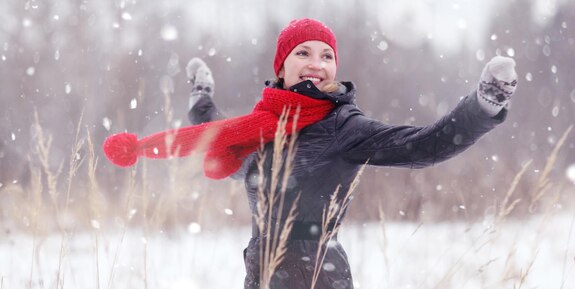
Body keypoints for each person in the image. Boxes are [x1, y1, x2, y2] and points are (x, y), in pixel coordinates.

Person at [104, 18, 517, 289]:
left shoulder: (343, 127)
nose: (316, 64)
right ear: (281, 65)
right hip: (261, 275)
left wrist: (483, 107)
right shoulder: (260, 130)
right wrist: (201, 99)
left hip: (320, 277)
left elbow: (426, 145)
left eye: (327, 56)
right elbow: (219, 137)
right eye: (303, 53)